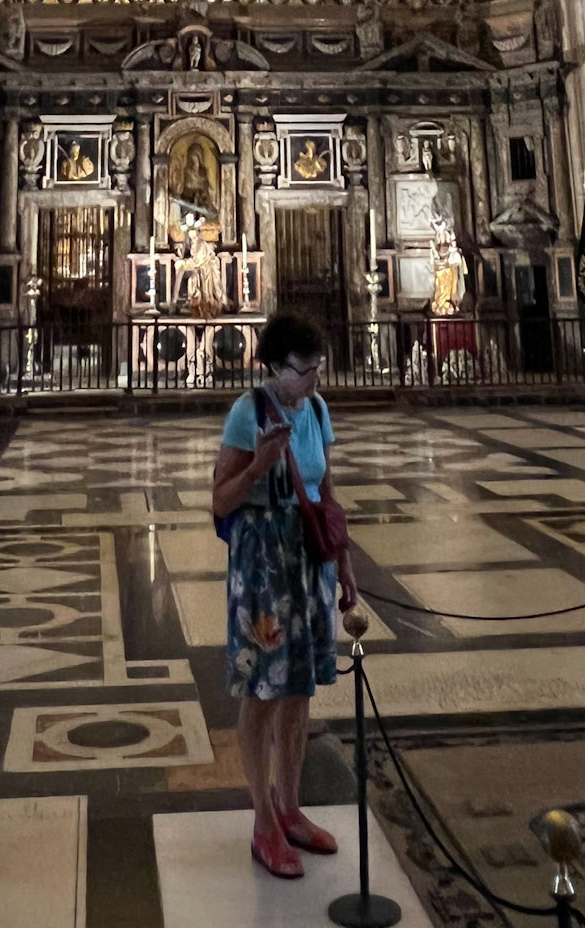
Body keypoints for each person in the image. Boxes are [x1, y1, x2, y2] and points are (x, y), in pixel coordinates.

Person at [211, 311, 358, 880]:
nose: (314, 380)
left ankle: (291, 808)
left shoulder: (317, 410)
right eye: (304, 370)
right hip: (264, 573)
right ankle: (262, 821)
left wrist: (344, 558)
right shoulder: (248, 413)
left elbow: (326, 488)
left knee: (299, 692)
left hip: (310, 567)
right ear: (273, 367)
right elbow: (221, 502)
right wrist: (259, 467)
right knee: (262, 691)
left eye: (319, 367)